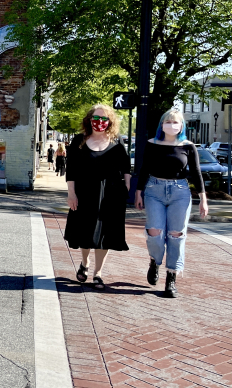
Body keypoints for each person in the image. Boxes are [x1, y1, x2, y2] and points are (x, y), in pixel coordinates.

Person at [135, 109, 208, 298]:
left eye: (176, 122)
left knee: (176, 235)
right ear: (162, 124)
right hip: (154, 190)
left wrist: (203, 199)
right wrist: (138, 192)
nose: (172, 125)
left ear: (181, 125)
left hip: (180, 193)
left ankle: (171, 278)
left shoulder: (188, 146)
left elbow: (197, 173)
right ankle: (155, 260)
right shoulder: (152, 144)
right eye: (168, 121)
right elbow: (143, 169)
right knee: (155, 232)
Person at [65, 104, 132, 289]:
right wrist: (71, 193)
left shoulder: (117, 141)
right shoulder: (79, 140)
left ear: (110, 122)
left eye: (104, 119)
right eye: (96, 118)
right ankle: (85, 262)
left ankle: (98, 273)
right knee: (86, 231)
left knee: (105, 234)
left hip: (110, 194)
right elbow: (70, 170)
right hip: (84, 192)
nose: (99, 122)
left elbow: (126, 166)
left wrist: (126, 185)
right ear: (89, 120)